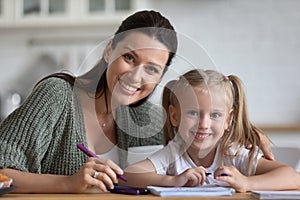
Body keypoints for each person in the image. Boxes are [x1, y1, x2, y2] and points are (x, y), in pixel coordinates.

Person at [0, 10, 273, 193]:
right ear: (109, 50)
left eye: (152, 69)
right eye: (129, 58)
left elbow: (199, 132)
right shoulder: (57, 95)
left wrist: (244, 132)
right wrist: (68, 182)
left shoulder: (148, 120)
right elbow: (2, 172)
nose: (135, 76)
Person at [123, 69, 300, 192]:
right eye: (193, 113)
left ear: (228, 120)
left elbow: (293, 178)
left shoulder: (233, 153)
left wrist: (246, 182)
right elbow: (129, 175)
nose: (204, 124)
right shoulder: (174, 152)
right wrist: (173, 181)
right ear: (174, 116)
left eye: (215, 115)